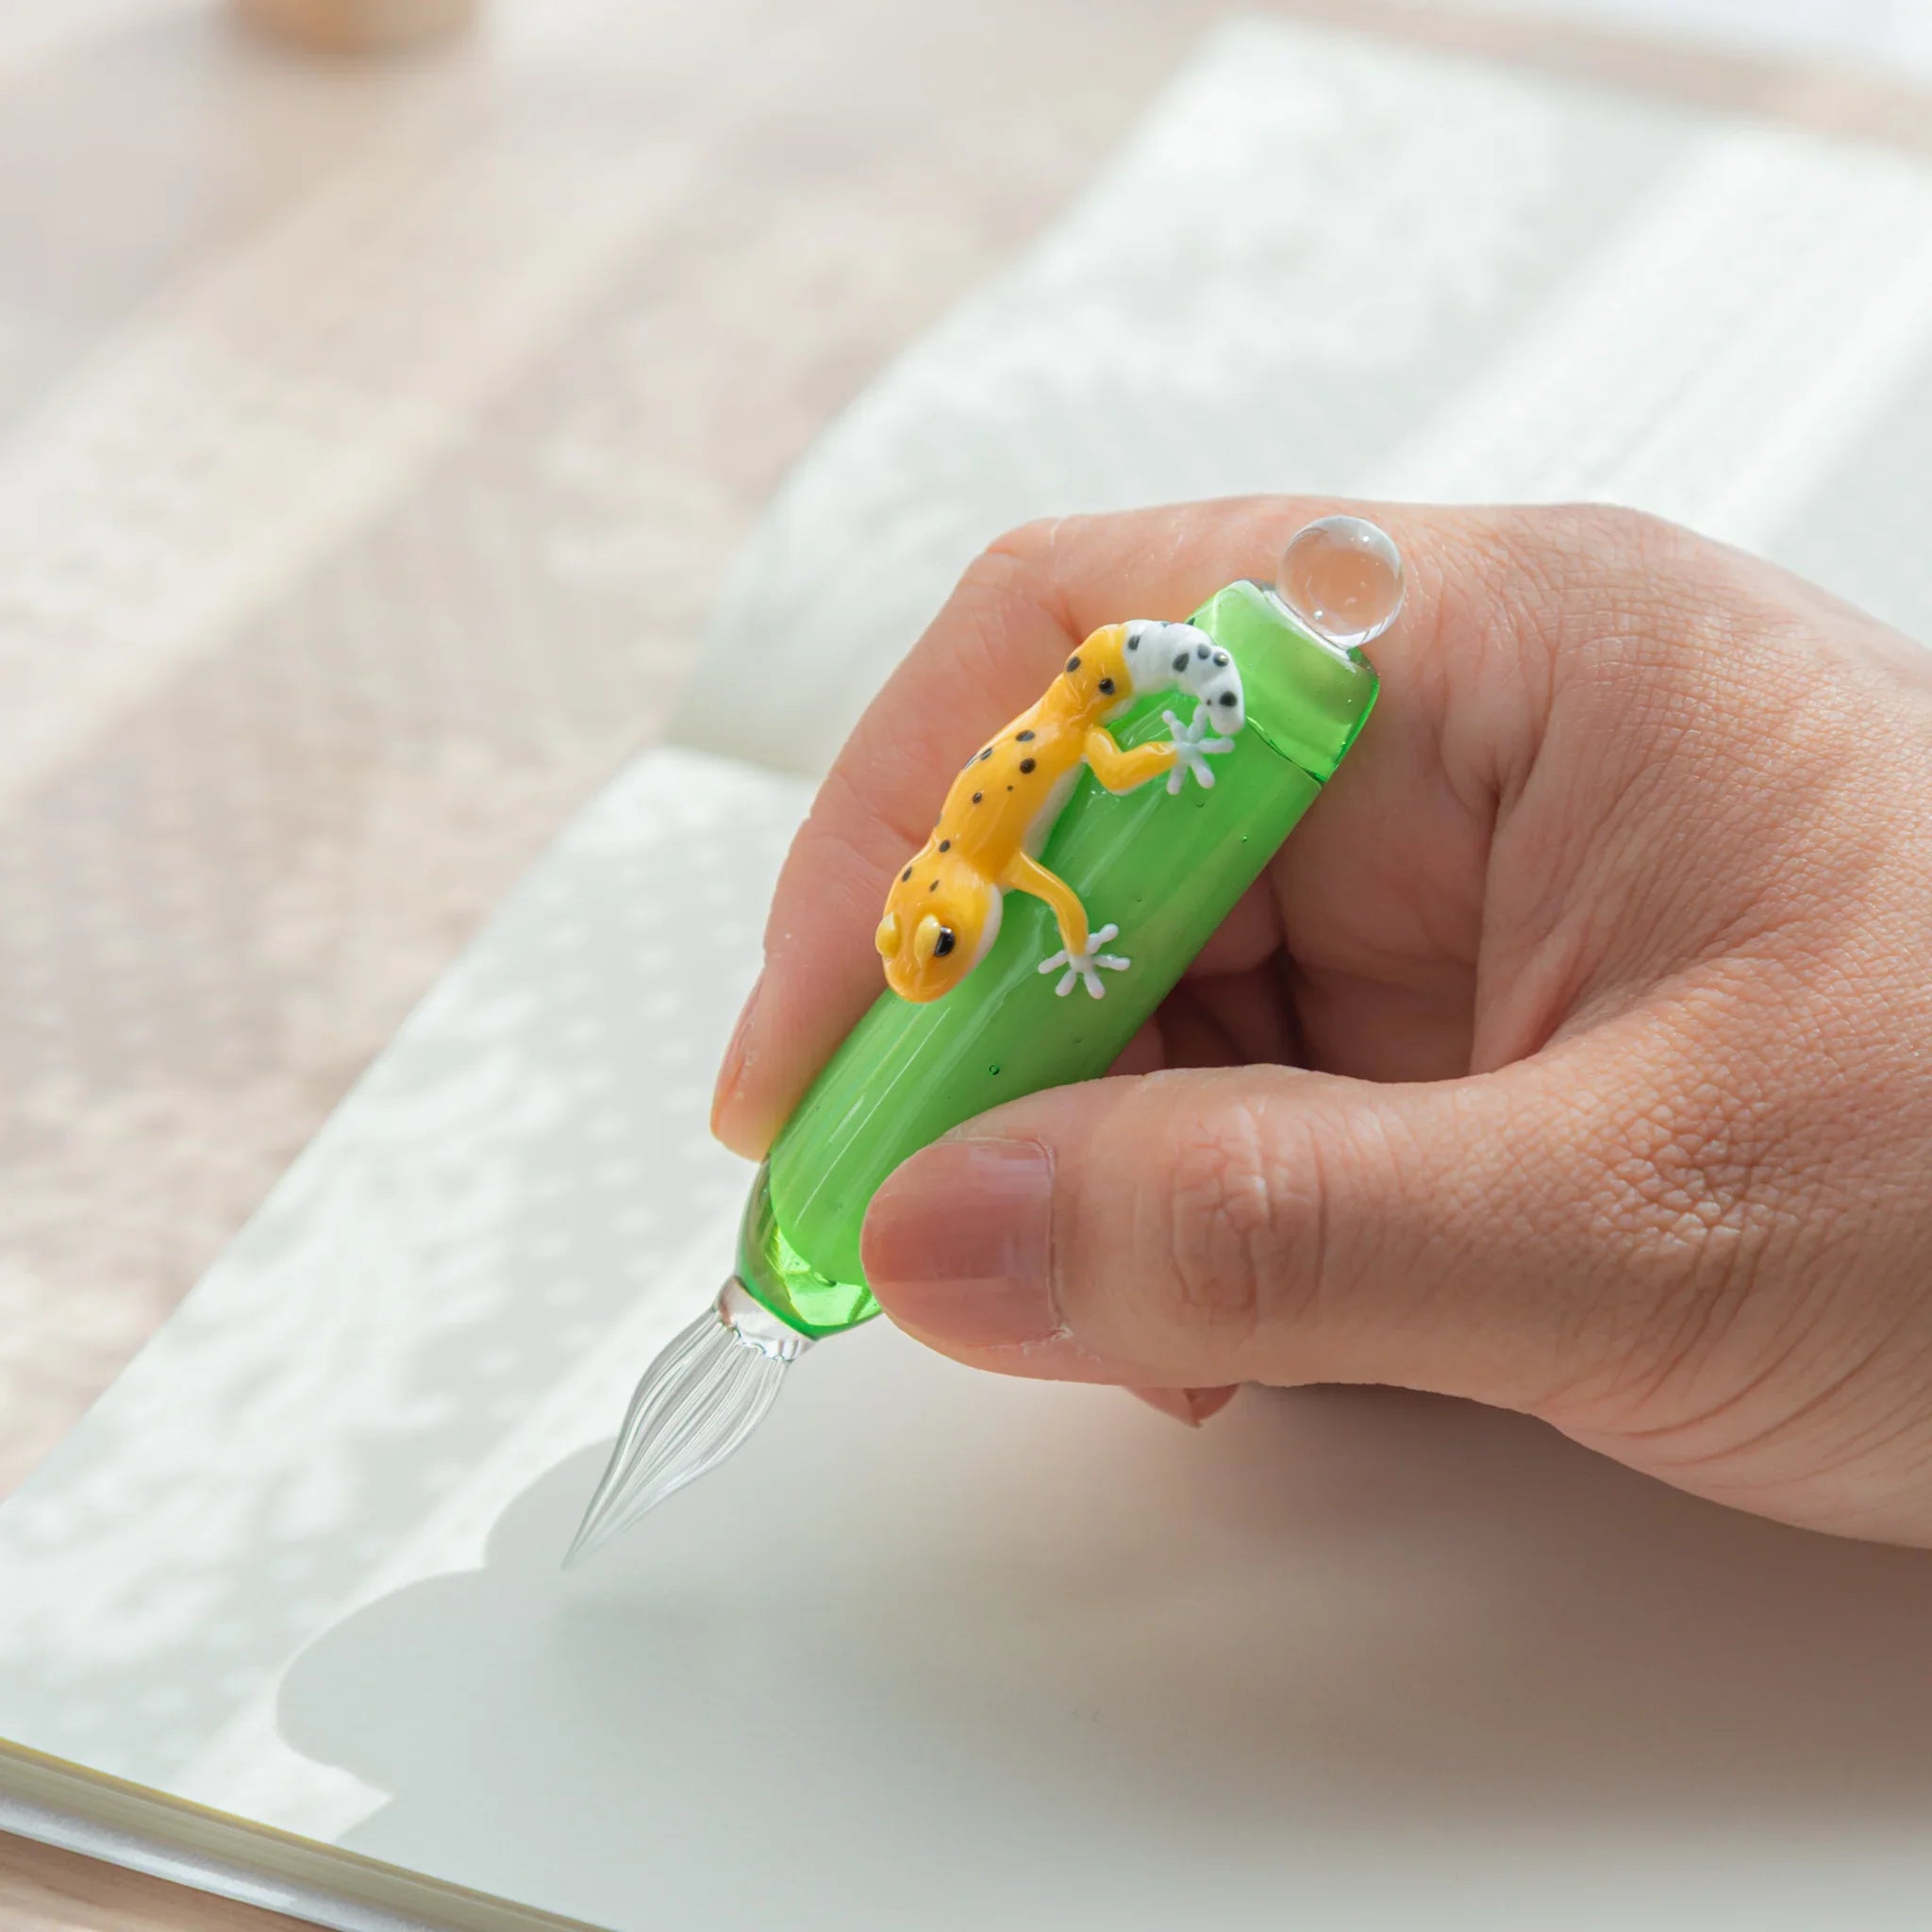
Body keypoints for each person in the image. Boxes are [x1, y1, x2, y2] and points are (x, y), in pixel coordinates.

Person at [711, 500, 1932, 1546]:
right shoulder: (967, 870)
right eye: (915, 938)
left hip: (1127, 726)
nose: (924, 953)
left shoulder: (1035, 850)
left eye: (931, 943)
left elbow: (1057, 848)